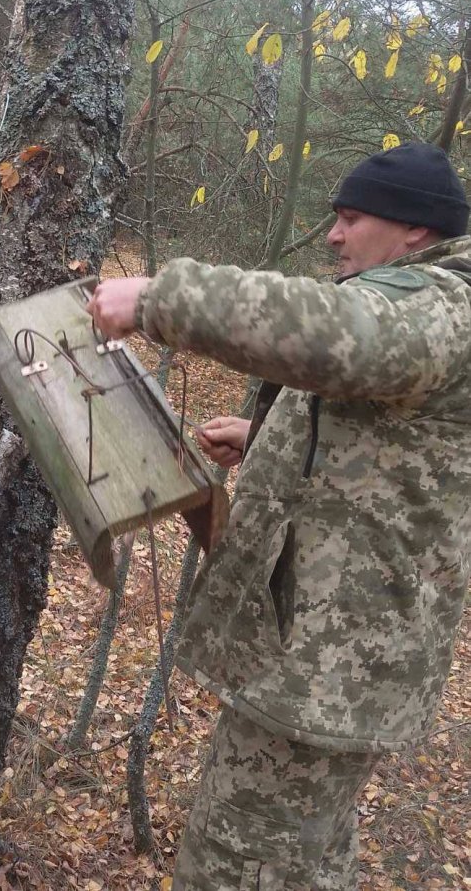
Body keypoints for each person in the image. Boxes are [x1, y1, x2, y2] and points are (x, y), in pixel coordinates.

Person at [87, 142, 471, 891]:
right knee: (306, 862)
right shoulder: (421, 300)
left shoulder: (448, 305)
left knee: (241, 870)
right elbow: (388, 438)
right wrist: (265, 444)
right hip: (316, 655)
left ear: (416, 230)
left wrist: (160, 299)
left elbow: (339, 338)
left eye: (351, 218)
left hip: (332, 661)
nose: (333, 234)